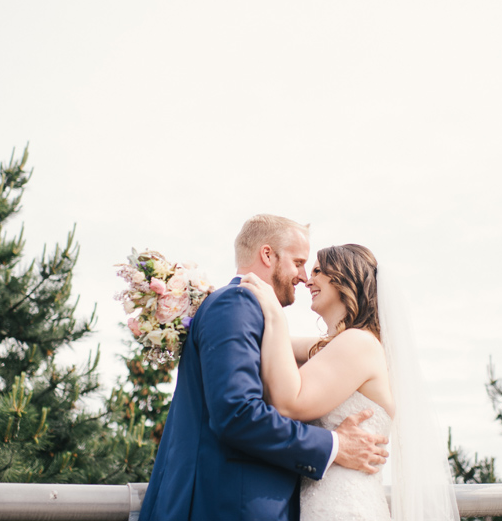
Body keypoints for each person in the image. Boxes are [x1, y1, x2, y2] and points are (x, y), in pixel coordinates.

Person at [138, 216, 389, 521]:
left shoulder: (349, 343)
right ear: (268, 255)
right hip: (234, 505)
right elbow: (238, 412)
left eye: (313, 269)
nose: (303, 276)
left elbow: (325, 349)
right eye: (299, 263)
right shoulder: (236, 303)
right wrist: (334, 445)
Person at [240, 244, 460, 521]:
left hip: (344, 508)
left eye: (318, 271)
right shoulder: (341, 345)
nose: (308, 280)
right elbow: (279, 347)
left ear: (344, 279)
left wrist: (274, 313)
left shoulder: (358, 343)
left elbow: (288, 403)